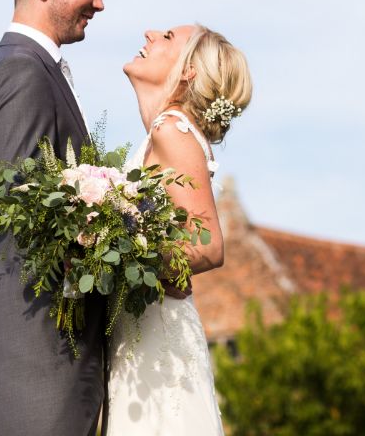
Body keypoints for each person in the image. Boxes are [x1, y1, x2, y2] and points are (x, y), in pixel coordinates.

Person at [0, 0, 107, 436]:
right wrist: (115, 238)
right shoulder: (23, 70)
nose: (99, 3)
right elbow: (28, 214)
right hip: (38, 359)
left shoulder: (29, 67)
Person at [107, 24, 253, 434]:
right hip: (144, 336)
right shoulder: (167, 131)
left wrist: (132, 265)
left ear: (188, 72)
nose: (150, 33)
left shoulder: (172, 129)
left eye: (168, 36)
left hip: (158, 338)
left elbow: (210, 246)